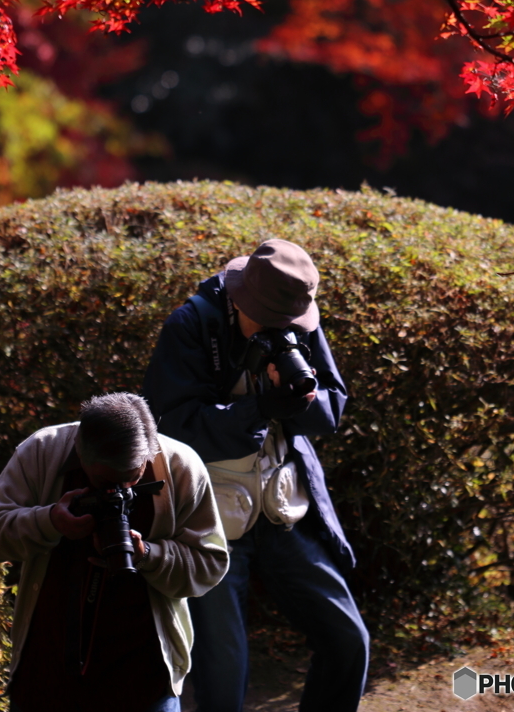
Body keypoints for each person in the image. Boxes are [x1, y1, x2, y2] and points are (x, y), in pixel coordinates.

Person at [143, 238, 369, 712]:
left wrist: (298, 402)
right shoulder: (192, 325)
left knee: (348, 641)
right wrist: (259, 409)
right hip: (211, 520)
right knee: (223, 672)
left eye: (290, 325)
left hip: (285, 510)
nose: (283, 333)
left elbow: (331, 406)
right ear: (242, 300)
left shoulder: (296, 319)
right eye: (271, 324)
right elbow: (172, 427)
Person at [0, 392, 229, 712]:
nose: (118, 492)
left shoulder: (180, 466)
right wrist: (49, 521)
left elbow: (210, 563)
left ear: (150, 452)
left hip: (144, 675)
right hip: (47, 670)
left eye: (131, 480)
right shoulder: (42, 451)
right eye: (104, 481)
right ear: (79, 449)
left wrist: (147, 554)